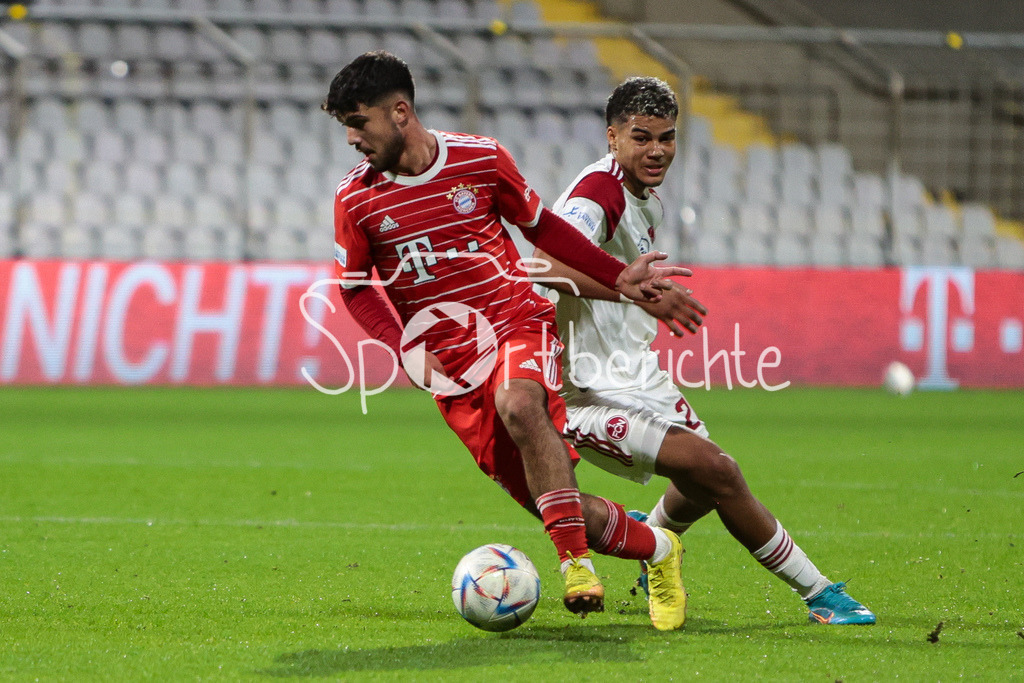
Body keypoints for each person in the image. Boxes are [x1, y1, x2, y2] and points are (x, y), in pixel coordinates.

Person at [323, 52, 690, 630]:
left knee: (519, 402)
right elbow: (353, 288)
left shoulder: (480, 157)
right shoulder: (356, 199)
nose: (350, 137)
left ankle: (575, 567)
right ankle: (660, 550)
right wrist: (404, 346)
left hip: (516, 321)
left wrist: (617, 275)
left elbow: (542, 227)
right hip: (453, 373)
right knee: (557, 506)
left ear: (399, 112)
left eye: (357, 121)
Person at [533, 76, 876, 625]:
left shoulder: (644, 200)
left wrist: (633, 291)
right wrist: (628, 285)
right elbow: (542, 263)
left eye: (666, 137)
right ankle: (820, 596)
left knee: (700, 482)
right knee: (719, 473)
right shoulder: (597, 193)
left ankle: (654, 539)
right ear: (612, 137)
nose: (656, 150)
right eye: (641, 137)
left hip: (631, 373)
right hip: (580, 391)